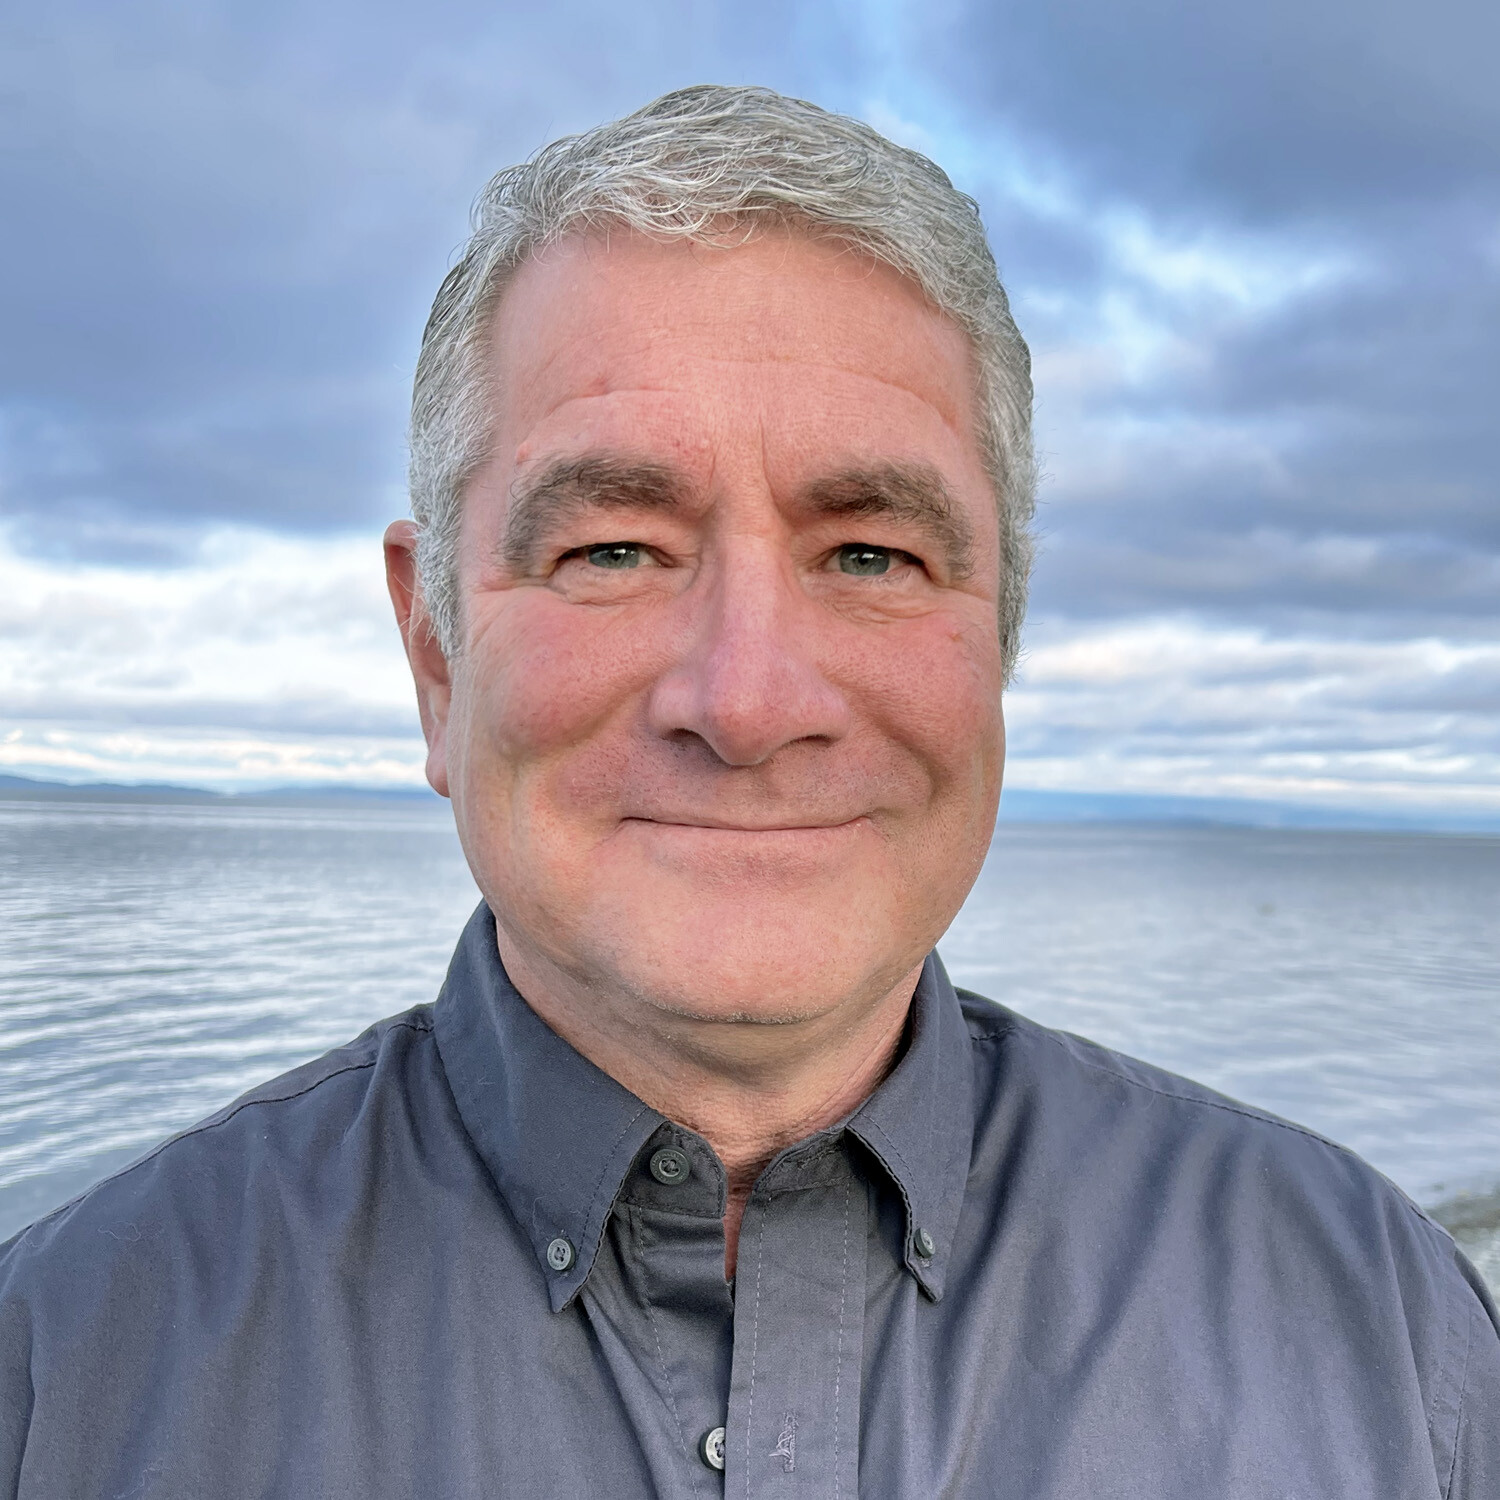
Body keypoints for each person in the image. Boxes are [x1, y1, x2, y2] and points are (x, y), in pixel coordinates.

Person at [1, 84, 1495, 1498]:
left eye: (872, 554)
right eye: (612, 549)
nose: (748, 702)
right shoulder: (65, 1373)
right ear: (435, 658)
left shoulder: (1380, 1326)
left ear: (1000, 639)